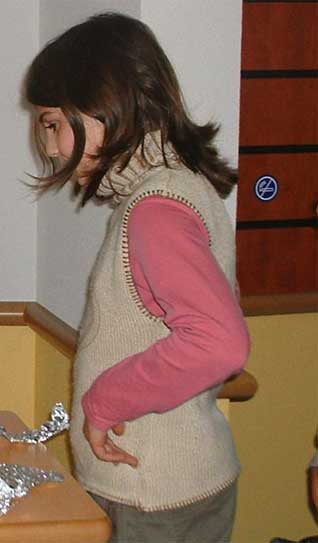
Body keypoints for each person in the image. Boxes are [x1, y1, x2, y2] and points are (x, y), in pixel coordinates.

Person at [25, 13, 250, 543]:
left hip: (153, 496)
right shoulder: (178, 188)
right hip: (166, 485)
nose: (52, 147)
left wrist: (105, 401)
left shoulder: (155, 209)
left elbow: (220, 343)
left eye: (54, 124)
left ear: (107, 105)